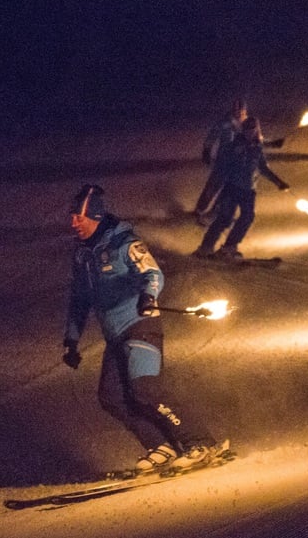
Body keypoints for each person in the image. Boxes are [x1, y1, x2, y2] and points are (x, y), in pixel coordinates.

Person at [64, 184, 228, 474]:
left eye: (79, 217)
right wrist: (71, 339)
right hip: (115, 335)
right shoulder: (83, 255)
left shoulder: (124, 244)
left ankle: (200, 443)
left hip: (140, 324)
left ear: (97, 217)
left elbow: (152, 273)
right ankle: (161, 446)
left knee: (145, 388)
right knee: (111, 397)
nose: (73, 222)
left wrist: (148, 296)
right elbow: (80, 299)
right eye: (72, 216)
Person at [194, 117, 290, 259]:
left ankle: (229, 247)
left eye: (252, 130)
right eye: (246, 130)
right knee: (225, 218)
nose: (249, 133)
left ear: (256, 131)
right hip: (232, 188)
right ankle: (205, 248)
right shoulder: (235, 145)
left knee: (247, 217)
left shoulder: (257, 148)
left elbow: (263, 168)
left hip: (248, 190)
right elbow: (224, 163)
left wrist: (278, 182)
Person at [193, 99, 247, 224]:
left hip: (238, 165)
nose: (239, 114)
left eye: (241, 112)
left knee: (230, 191)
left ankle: (217, 214)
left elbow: (257, 139)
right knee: (212, 187)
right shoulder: (224, 123)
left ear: (245, 111)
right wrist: (206, 151)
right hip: (223, 162)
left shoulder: (247, 124)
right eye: (236, 111)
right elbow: (212, 136)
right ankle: (199, 210)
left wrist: (273, 144)